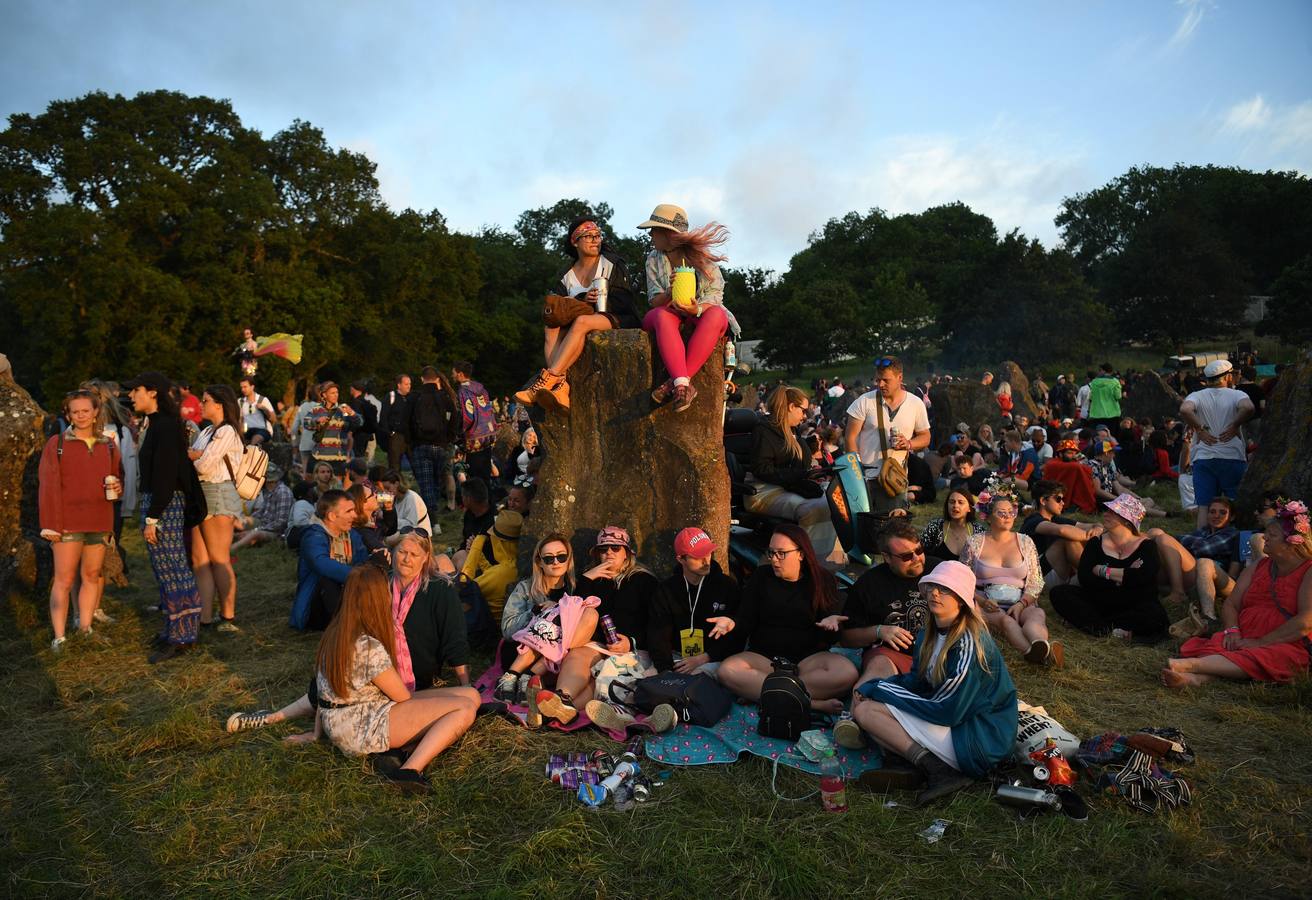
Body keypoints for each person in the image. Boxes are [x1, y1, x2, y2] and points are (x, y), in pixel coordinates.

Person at [227, 531, 474, 748]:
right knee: (327, 684)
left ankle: (293, 719)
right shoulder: (378, 585)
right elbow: (347, 637)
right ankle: (274, 717)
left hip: (404, 677)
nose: (407, 559)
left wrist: (463, 683)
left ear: (426, 558)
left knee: (467, 697)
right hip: (371, 672)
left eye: (414, 554)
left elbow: (455, 640)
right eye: (402, 552)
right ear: (393, 552)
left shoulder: (438, 590)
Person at [847, 561, 1018, 805]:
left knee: (868, 711)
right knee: (869, 703)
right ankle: (909, 763)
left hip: (979, 739)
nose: (935, 593)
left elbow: (948, 710)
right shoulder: (930, 632)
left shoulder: (970, 643)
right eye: (932, 586)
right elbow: (918, 682)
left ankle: (939, 771)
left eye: (945, 589)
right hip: (958, 724)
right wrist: (879, 688)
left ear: (961, 598)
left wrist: (881, 688)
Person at [308, 565, 478, 793]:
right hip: (360, 725)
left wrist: (316, 732)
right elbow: (401, 696)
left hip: (342, 719)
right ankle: (409, 771)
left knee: (471, 694)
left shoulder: (336, 631)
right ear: (378, 598)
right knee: (464, 709)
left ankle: (395, 752)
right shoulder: (367, 646)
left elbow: (324, 692)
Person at [1164, 499, 1311, 688]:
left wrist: (1262, 642)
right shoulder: (1260, 565)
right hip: (1245, 631)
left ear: (1291, 544)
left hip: (1286, 639)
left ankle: (1194, 666)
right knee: (1224, 645)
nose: (1265, 537)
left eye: (1272, 535)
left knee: (1272, 655)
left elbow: (1306, 621)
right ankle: (1195, 679)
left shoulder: (1308, 570)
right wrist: (1232, 630)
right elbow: (1232, 604)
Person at [716, 524, 855, 713]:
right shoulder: (761, 577)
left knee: (847, 673)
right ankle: (810, 703)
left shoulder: (822, 580)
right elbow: (746, 620)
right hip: (765, 660)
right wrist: (732, 622)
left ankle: (763, 694)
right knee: (728, 671)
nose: (774, 560)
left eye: (781, 553)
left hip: (808, 661)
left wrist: (832, 626)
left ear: (801, 553)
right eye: (771, 553)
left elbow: (830, 638)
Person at [531, 526, 663, 723]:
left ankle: (558, 712)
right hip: (599, 644)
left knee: (602, 676)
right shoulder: (592, 580)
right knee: (578, 655)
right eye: (603, 549)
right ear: (597, 554)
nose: (609, 552)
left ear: (627, 553)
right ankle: (561, 699)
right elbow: (571, 613)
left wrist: (632, 641)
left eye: (615, 548)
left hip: (632, 649)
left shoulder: (644, 581)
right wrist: (586, 579)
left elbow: (658, 623)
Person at [515, 217, 640, 410]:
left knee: (582, 321)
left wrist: (593, 303)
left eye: (597, 235)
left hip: (617, 316)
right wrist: (582, 299)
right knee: (551, 327)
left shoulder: (612, 263)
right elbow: (559, 308)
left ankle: (549, 378)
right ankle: (560, 386)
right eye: (588, 236)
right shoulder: (566, 275)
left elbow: (625, 301)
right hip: (579, 320)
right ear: (575, 242)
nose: (595, 240)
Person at [126, 372, 205, 663]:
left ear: (153, 393)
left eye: (136, 390)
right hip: (160, 504)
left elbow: (166, 476)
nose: (132, 396)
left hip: (165, 505)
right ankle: (174, 627)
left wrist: (153, 517)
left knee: (174, 569)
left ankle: (184, 635)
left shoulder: (167, 426)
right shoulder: (158, 423)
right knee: (165, 569)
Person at [38, 389, 123, 651]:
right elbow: (47, 486)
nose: (81, 416)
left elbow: (118, 478)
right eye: (75, 411)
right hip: (67, 523)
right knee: (63, 580)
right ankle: (59, 637)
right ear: (68, 414)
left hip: (99, 519)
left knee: (91, 575)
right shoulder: (57, 444)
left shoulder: (108, 444)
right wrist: (50, 524)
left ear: (96, 411)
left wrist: (118, 488)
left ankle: (85, 628)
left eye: (86, 410)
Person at [638, 203, 733, 413]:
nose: (650, 235)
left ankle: (676, 384)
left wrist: (696, 309)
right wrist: (670, 292)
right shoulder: (653, 259)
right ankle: (682, 385)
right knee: (663, 315)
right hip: (666, 311)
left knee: (717, 315)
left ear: (668, 233)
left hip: (696, 311)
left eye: (654, 230)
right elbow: (654, 300)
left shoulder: (700, 256)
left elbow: (715, 295)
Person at [836, 521, 944, 700]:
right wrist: (879, 631)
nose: (917, 558)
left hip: (940, 654)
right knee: (878, 669)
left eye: (919, 550)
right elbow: (846, 638)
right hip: (892, 656)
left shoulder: (940, 570)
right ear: (886, 557)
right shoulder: (869, 585)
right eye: (906, 556)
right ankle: (853, 717)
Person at [959, 480, 1056, 666]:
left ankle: (1040, 644)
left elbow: (1035, 581)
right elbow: (961, 580)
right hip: (986, 602)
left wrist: (1021, 604)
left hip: (1020, 599)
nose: (1007, 516)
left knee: (1036, 616)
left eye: (1011, 512)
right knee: (1006, 622)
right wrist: (982, 602)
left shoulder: (1025, 542)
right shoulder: (975, 543)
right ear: (987, 517)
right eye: (1001, 513)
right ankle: (1035, 655)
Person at [1049, 494, 1169, 643]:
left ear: (1127, 520)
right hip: (1100, 601)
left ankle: (1094, 624)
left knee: (1155, 616)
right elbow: (1085, 578)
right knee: (1059, 593)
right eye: (1107, 510)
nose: (1105, 514)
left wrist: (1102, 571)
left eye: (1113, 512)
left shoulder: (1146, 546)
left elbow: (1145, 577)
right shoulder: (1095, 544)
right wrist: (1124, 576)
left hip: (1134, 604)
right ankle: (1110, 630)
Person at [745, 385, 843, 563]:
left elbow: (797, 465)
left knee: (834, 501)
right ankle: (809, 563)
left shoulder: (792, 430)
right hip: (763, 492)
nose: (805, 416)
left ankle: (830, 562)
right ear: (791, 407)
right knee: (816, 508)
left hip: (786, 487)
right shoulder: (764, 430)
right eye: (803, 410)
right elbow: (762, 469)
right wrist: (797, 476)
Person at [646, 527, 742, 675]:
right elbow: (658, 635)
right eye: (698, 556)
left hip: (713, 659)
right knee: (647, 678)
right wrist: (666, 670)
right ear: (681, 559)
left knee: (698, 678)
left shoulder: (727, 586)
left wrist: (705, 658)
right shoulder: (666, 590)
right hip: (677, 657)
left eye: (708, 552)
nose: (706, 561)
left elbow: (737, 633)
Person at [188, 385, 244, 632]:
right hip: (202, 494)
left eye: (206, 400)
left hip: (219, 493)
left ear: (220, 404)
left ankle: (228, 616)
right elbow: (196, 458)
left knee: (219, 558)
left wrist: (194, 455)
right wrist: (195, 454)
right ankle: (205, 617)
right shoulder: (208, 430)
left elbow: (204, 466)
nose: (201, 404)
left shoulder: (228, 431)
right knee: (199, 559)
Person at [843, 356, 931, 515]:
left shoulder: (915, 403)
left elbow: (925, 436)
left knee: (893, 529)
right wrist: (856, 472)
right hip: (865, 479)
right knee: (864, 530)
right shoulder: (864, 401)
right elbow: (850, 437)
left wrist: (909, 444)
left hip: (894, 479)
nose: (880, 384)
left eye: (885, 380)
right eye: (877, 380)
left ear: (900, 378)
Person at [1179, 360, 1255, 529]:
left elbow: (1185, 409)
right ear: (1228, 376)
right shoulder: (1237, 395)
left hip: (1204, 457)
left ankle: (1201, 543)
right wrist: (1234, 425)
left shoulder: (1197, 395)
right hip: (1232, 456)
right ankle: (1232, 540)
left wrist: (1200, 429)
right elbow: (1249, 408)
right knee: (1233, 503)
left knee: (1204, 505)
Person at [1149, 497, 1242, 624]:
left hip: (1206, 577)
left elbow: (1205, 547)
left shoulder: (1232, 533)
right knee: (1155, 532)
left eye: (1223, 512)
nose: (1216, 516)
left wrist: (1175, 539)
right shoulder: (1204, 531)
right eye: (1212, 512)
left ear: (1231, 517)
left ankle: (1178, 592)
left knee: (1164, 539)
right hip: (1191, 570)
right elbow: (1192, 542)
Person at [291, 489, 370, 631]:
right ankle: (346, 626)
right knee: (327, 578)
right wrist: (359, 575)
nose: (355, 515)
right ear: (332, 516)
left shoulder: (351, 535)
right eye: (349, 511)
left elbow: (363, 561)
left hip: (345, 594)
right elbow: (321, 563)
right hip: (314, 608)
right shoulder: (313, 536)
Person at [1020, 479, 1102, 586]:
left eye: (1063, 499)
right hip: (1034, 576)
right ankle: (1094, 577)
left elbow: (1094, 525)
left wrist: (1097, 529)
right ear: (1043, 501)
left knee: (1074, 536)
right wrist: (1090, 536)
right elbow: (1061, 530)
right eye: (1058, 499)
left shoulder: (1055, 519)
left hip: (1053, 570)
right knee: (1067, 540)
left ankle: (1093, 576)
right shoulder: (1033, 520)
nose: (1062, 503)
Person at [408, 366, 458, 515]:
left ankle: (430, 516)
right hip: (441, 445)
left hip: (421, 445)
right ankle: (435, 512)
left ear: (422, 379)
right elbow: (454, 420)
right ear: (437, 379)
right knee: (437, 481)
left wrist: (411, 442)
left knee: (425, 483)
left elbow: (406, 422)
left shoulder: (414, 397)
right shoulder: (445, 397)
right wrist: (448, 439)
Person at [458, 509, 523, 622]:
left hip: (489, 629)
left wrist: (476, 547)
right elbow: (493, 574)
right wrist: (480, 557)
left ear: (499, 543)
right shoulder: (518, 564)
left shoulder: (500, 573)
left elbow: (464, 586)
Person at [306, 382, 363, 475]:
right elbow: (306, 424)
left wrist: (352, 413)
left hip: (338, 457)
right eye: (332, 393)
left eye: (337, 392)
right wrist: (317, 421)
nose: (336, 395)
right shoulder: (316, 410)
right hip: (319, 456)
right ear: (324, 395)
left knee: (338, 486)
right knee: (315, 484)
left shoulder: (343, 409)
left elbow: (359, 423)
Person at [232, 464, 293, 551]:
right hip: (264, 523)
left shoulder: (283, 492)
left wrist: (255, 529)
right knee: (237, 521)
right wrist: (248, 520)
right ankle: (227, 539)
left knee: (255, 534)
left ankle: (231, 550)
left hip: (277, 532)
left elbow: (281, 523)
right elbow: (261, 511)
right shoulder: (268, 490)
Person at [920, 489, 985, 561]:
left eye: (960, 502)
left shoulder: (979, 531)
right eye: (952, 502)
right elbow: (921, 554)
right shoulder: (935, 527)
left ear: (969, 508)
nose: (955, 505)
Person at [376, 469, 432, 547]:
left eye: (387, 488)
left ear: (396, 484)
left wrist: (385, 516)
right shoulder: (394, 497)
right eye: (383, 489)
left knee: (386, 540)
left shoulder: (411, 497)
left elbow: (411, 525)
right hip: (401, 532)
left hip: (418, 534)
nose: (385, 492)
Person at [451, 477, 493, 568]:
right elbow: (465, 539)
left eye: (462, 496)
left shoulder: (494, 520)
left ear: (468, 499)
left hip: (487, 564)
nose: (461, 498)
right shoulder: (469, 514)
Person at [378, 374, 414, 474]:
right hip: (396, 436)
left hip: (410, 436)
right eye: (406, 384)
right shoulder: (391, 396)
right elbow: (383, 416)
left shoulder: (411, 397)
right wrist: (390, 433)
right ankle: (394, 487)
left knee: (415, 463)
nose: (409, 386)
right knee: (394, 466)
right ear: (399, 385)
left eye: (410, 384)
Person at [238, 377, 277, 445]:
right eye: (241, 387)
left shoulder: (262, 400)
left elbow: (274, 419)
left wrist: (264, 408)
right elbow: (240, 420)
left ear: (252, 387)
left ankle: (252, 451)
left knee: (255, 438)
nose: (242, 389)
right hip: (248, 430)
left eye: (245, 387)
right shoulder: (240, 401)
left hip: (262, 430)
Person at [291, 383, 321, 471]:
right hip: (321, 445)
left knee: (306, 470)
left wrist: (295, 444)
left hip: (305, 444)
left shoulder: (303, 407)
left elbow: (294, 429)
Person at [1086, 363, 1122, 432]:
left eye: (1100, 370)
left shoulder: (1094, 382)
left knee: (1097, 436)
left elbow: (1091, 398)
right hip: (1112, 414)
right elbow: (1118, 396)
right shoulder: (1115, 382)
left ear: (1104, 371)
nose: (1099, 372)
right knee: (1111, 435)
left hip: (1096, 414)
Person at [348, 381, 380, 460]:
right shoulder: (366, 402)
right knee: (361, 455)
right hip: (367, 433)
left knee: (356, 455)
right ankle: (362, 470)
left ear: (354, 389)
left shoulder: (356, 402)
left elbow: (355, 419)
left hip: (358, 433)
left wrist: (350, 431)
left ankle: (358, 470)